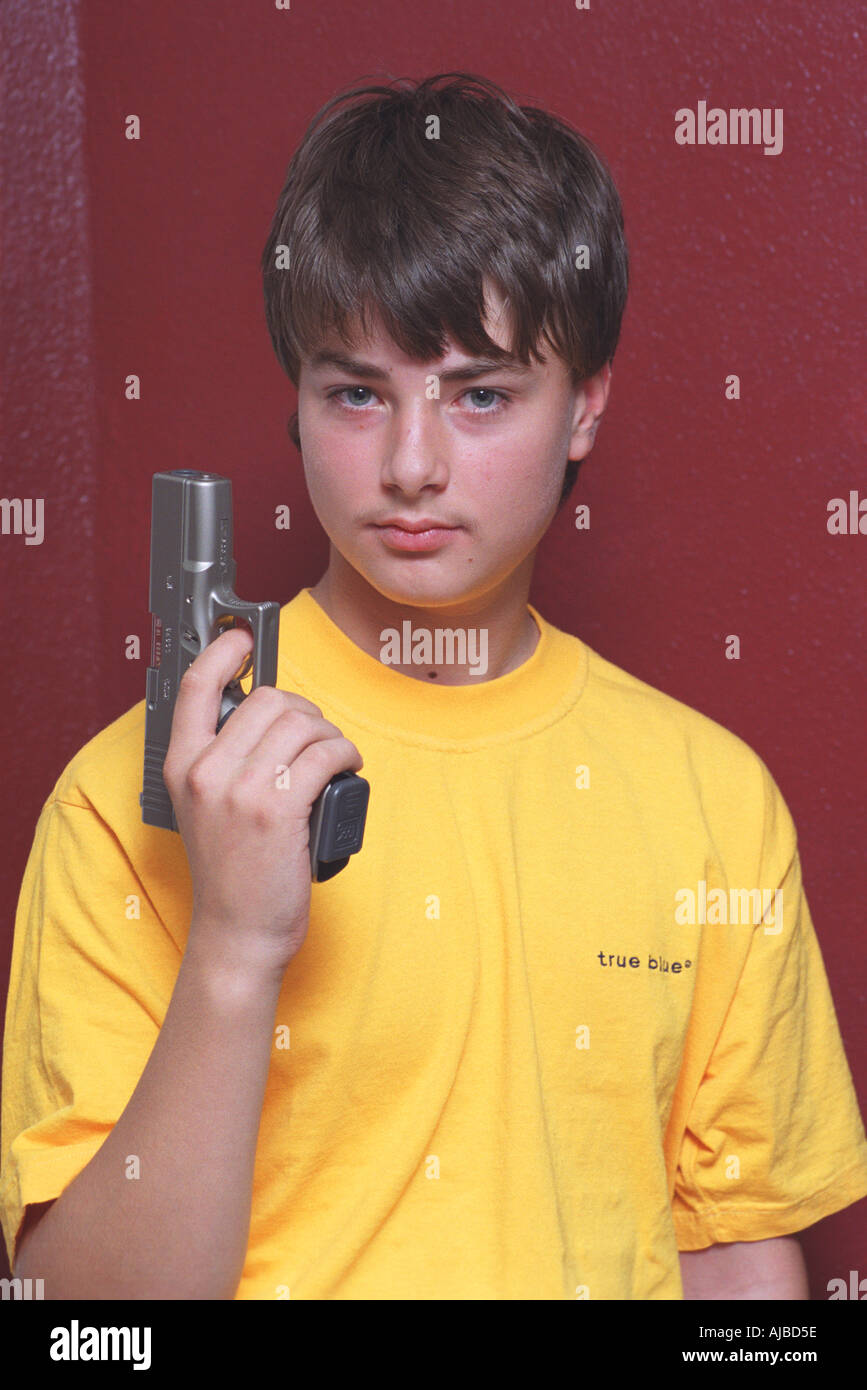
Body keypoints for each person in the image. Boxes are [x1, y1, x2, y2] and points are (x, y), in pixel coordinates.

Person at [2, 71, 866, 1301]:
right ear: (296, 404)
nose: (411, 464)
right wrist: (238, 950)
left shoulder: (714, 801)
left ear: (585, 409)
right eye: (357, 392)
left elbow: (731, 1258)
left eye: (481, 396)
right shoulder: (128, 797)